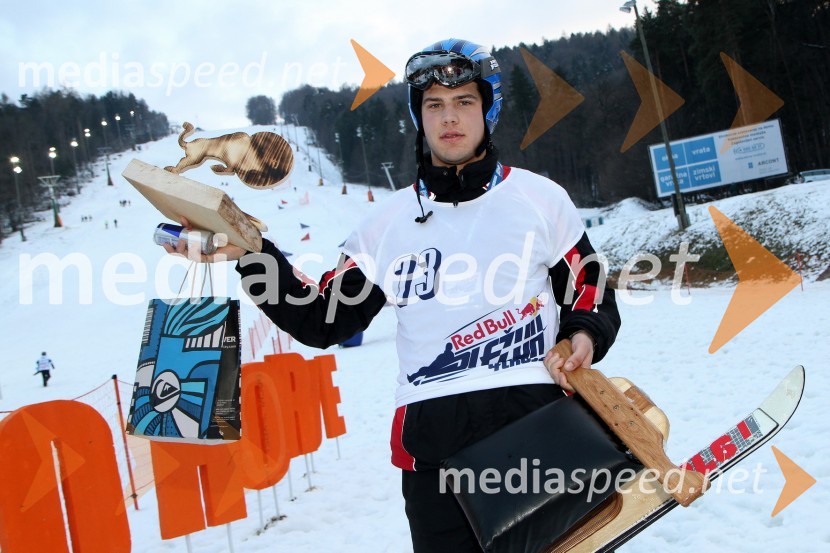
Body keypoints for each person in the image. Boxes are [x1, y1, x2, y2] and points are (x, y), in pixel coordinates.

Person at [164, 38, 620, 552]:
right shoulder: (385, 225)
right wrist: (250, 253)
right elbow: (323, 317)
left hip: (534, 422)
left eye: (464, 101)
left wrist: (583, 334)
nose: (449, 117)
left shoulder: (540, 198)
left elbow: (589, 286)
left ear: (489, 108)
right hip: (434, 448)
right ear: (419, 116)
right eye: (434, 104)